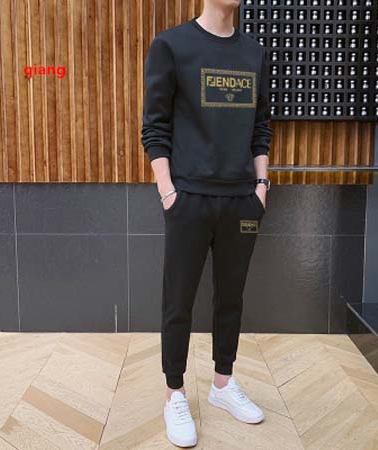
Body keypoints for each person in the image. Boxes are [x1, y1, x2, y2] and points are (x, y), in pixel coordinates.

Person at [141, 0, 273, 447]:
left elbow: (260, 126)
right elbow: (154, 127)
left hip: (241, 200)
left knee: (231, 298)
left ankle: (222, 384)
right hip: (189, 199)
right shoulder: (171, 46)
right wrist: (168, 192)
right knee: (178, 300)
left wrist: (261, 186)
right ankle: (174, 393)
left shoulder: (254, 53)